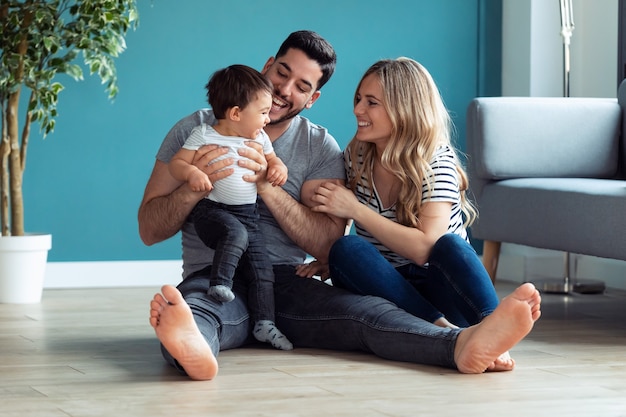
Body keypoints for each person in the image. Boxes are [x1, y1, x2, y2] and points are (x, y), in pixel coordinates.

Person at [141, 30, 541, 381]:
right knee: (196, 315)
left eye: (301, 85)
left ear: (313, 98)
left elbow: (328, 244)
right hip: (215, 276)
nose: (284, 89)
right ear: (267, 66)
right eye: (282, 72)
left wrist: (268, 187)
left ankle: (458, 345)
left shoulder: (320, 147)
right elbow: (149, 229)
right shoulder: (194, 129)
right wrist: (194, 186)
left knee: (363, 315)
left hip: (286, 280)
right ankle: (194, 352)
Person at [307, 57, 499, 330]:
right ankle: (440, 329)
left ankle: (493, 328)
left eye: (371, 102)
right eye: (359, 99)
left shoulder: (436, 161)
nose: (358, 109)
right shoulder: (356, 156)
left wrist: (357, 210)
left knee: (451, 245)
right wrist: (329, 258)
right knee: (345, 248)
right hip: (392, 288)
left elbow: (424, 249)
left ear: (404, 109)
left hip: (442, 286)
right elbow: (342, 215)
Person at [168, 64, 292, 351]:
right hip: (213, 212)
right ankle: (220, 284)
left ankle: (264, 323)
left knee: (263, 269)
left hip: (249, 216)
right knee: (235, 234)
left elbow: (274, 160)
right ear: (236, 114)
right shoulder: (203, 134)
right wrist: (193, 174)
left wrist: (278, 168)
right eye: (262, 112)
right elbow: (177, 164)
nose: (266, 118)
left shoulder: (259, 138)